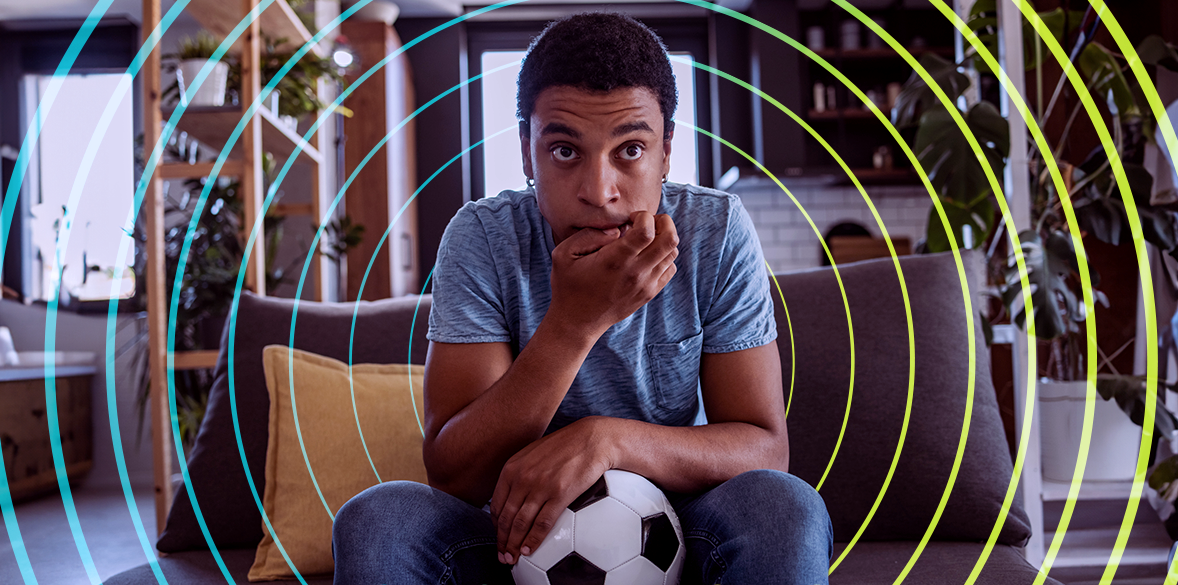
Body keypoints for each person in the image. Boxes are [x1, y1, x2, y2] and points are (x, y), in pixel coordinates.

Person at [332, 12, 833, 585]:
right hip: (511, 533)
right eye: (566, 151)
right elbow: (456, 474)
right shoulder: (482, 237)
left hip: (676, 527)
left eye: (630, 150)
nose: (599, 192)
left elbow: (765, 450)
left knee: (784, 507)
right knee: (378, 517)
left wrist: (606, 440)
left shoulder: (715, 232)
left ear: (666, 153)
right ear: (528, 153)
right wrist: (574, 323)